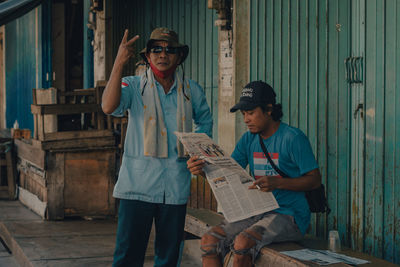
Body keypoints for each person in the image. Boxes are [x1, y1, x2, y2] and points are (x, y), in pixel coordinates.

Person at [102, 27, 213, 267]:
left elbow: (205, 122)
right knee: (127, 257)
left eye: (170, 49)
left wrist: (198, 153)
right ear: (148, 56)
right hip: (137, 186)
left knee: (168, 257)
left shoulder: (191, 91)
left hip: (175, 186)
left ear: (179, 56)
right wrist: (119, 61)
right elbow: (108, 107)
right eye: (156, 50)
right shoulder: (133, 86)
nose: (163, 55)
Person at [187, 81, 321, 267]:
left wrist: (278, 183)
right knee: (209, 241)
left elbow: (314, 180)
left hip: (290, 215)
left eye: (251, 113)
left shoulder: (293, 138)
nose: (246, 119)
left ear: (268, 110)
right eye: (244, 114)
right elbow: (228, 173)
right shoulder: (249, 139)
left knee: (243, 243)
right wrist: (202, 171)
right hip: (257, 210)